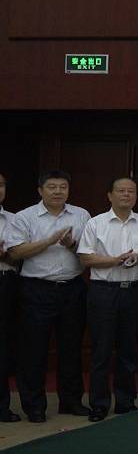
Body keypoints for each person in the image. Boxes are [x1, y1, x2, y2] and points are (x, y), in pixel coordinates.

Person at [4, 170, 92, 423]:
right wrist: (50, 240)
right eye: (52, 187)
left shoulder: (81, 215)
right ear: (40, 190)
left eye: (63, 187)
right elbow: (15, 252)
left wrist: (71, 244)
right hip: (36, 289)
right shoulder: (24, 217)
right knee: (34, 350)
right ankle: (34, 406)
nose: (57, 191)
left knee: (71, 348)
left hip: (72, 288)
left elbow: (89, 250)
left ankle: (71, 401)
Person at [77, 176, 138, 422]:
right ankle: (99, 404)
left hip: (133, 290)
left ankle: (126, 401)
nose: (126, 195)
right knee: (102, 349)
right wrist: (115, 260)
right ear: (110, 195)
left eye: (131, 191)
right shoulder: (95, 223)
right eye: (121, 191)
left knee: (128, 349)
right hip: (104, 290)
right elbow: (86, 258)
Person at [0, 174, 20, 422]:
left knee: (3, 344)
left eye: (1, 185)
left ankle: (2, 406)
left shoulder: (16, 220)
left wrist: (8, 255)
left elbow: (21, 253)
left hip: (5, 281)